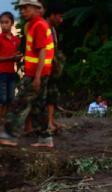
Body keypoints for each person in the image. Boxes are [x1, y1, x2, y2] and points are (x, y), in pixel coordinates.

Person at [0, 0, 55, 148]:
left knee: (19, 102)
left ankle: (10, 135)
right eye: (21, 8)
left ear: (36, 9)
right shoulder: (30, 25)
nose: (22, 11)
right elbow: (32, 49)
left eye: (26, 8)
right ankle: (45, 138)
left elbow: (42, 52)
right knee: (39, 105)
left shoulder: (39, 26)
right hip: (38, 72)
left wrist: (37, 77)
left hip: (37, 74)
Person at [0, 11, 20, 139]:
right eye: (2, 23)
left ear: (12, 23)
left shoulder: (16, 40)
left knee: (9, 101)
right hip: (0, 73)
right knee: (0, 102)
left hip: (11, 73)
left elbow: (17, 57)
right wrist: (11, 57)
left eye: (6, 22)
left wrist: (17, 58)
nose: (4, 25)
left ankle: (5, 128)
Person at [44, 3, 65, 135]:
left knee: (51, 96)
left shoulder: (52, 29)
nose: (61, 20)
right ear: (52, 15)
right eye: (59, 17)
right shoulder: (44, 28)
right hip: (44, 68)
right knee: (39, 98)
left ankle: (50, 121)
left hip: (51, 69)